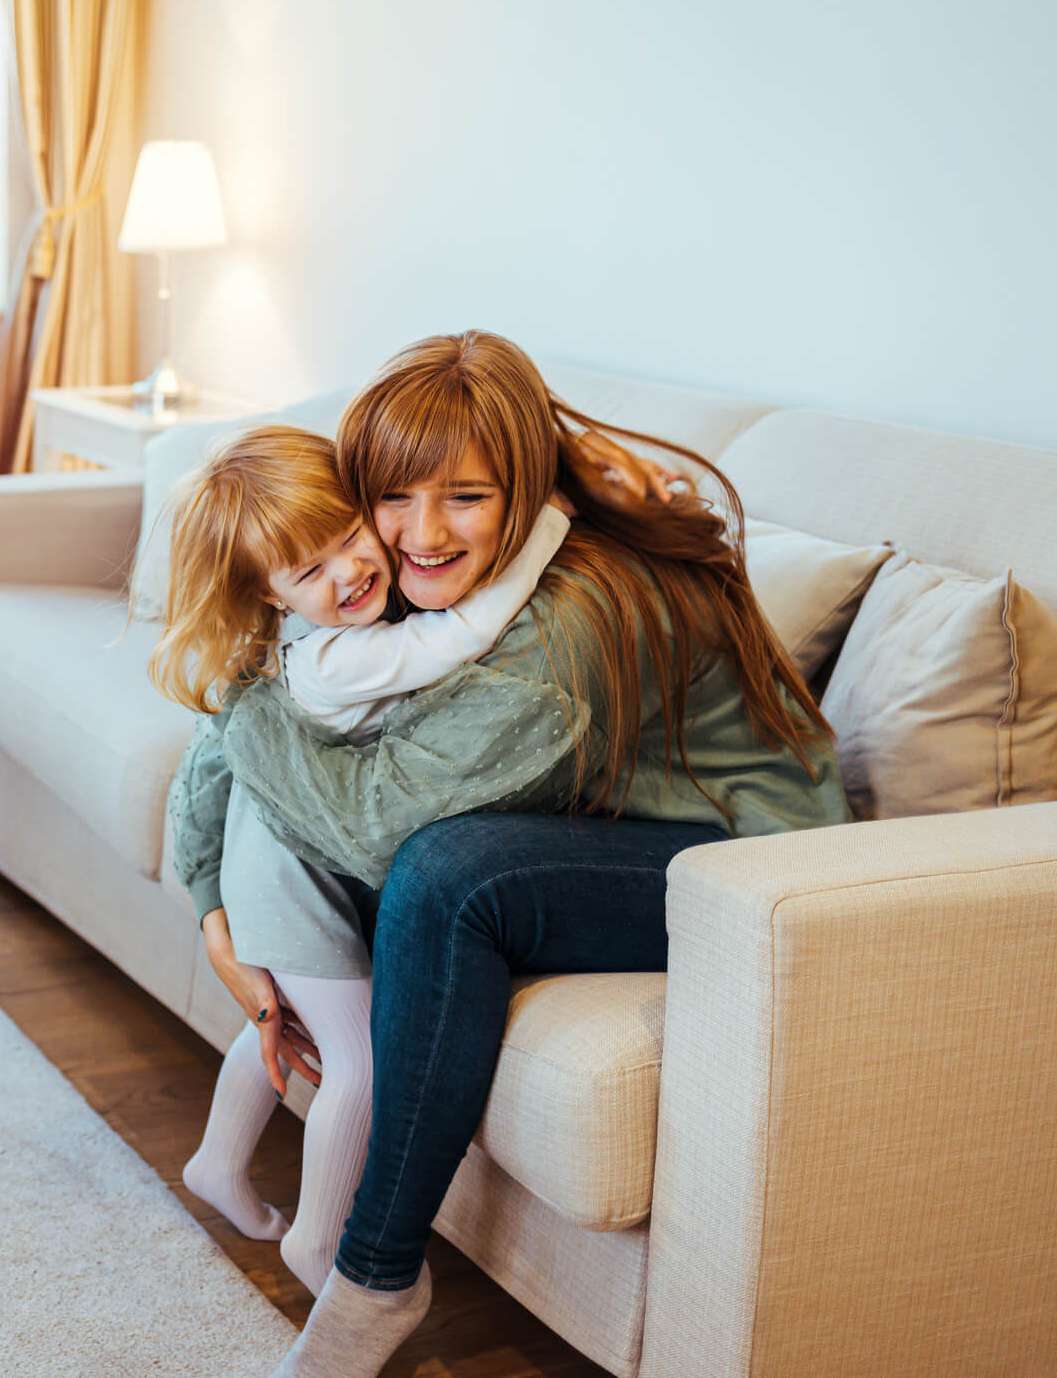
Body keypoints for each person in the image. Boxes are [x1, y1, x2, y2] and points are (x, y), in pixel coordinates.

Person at [169, 332, 851, 1378]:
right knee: (329, 802)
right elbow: (271, 700)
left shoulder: (563, 628)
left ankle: (373, 1280)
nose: (420, 535)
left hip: (749, 864)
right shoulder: (412, 571)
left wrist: (258, 696)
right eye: (391, 498)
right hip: (614, 814)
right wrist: (215, 908)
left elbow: (365, 825)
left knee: (446, 875)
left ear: (521, 487)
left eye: (466, 497)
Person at [151, 425, 571, 1295]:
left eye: (349, 537)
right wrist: (547, 528)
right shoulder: (331, 659)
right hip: (289, 884)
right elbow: (460, 636)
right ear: (268, 595)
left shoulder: (303, 636)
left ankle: (218, 1164)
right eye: (311, 571)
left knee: (287, 1025)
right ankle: (319, 1240)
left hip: (272, 873)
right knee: (362, 1063)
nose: (349, 572)